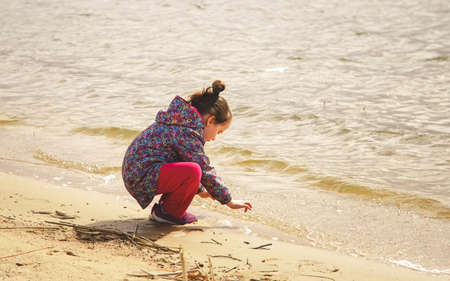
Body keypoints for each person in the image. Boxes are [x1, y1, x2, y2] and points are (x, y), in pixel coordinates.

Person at [122, 80, 252, 225]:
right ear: (210, 121)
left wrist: (202, 190)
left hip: (137, 172)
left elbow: (181, 159)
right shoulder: (188, 132)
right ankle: (168, 213)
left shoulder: (182, 121)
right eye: (219, 132)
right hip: (141, 175)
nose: (215, 138)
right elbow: (204, 169)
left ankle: (164, 209)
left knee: (191, 168)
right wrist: (229, 201)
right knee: (195, 170)